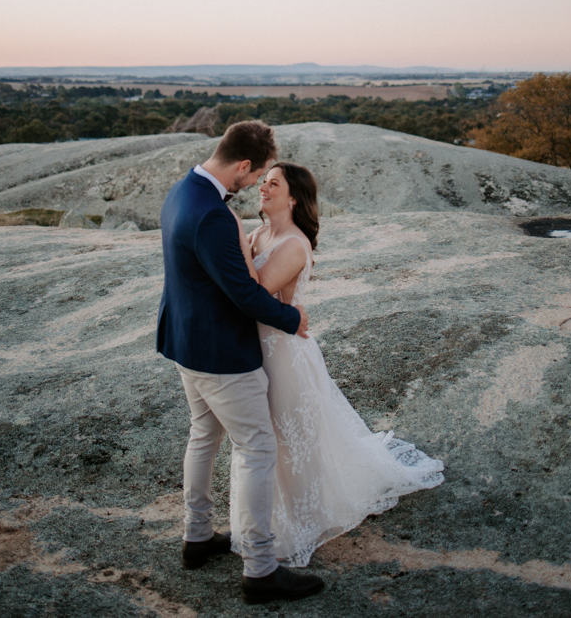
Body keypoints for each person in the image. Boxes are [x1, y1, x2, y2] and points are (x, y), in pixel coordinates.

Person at [229, 161, 445, 567]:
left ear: (293, 198)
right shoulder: (258, 234)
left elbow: (254, 292)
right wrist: (244, 238)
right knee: (264, 442)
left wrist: (235, 240)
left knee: (292, 444)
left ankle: (303, 524)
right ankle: (266, 521)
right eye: (264, 181)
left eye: (273, 183)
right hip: (256, 351)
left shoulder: (293, 244)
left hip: (284, 356)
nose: (264, 187)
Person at [156, 122, 325, 605]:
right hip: (221, 353)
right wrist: (291, 317)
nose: (255, 187)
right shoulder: (212, 214)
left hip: (186, 343)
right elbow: (245, 295)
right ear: (244, 166)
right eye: (256, 179)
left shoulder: (182, 191)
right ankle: (260, 568)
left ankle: (198, 536)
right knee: (256, 449)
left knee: (203, 435)